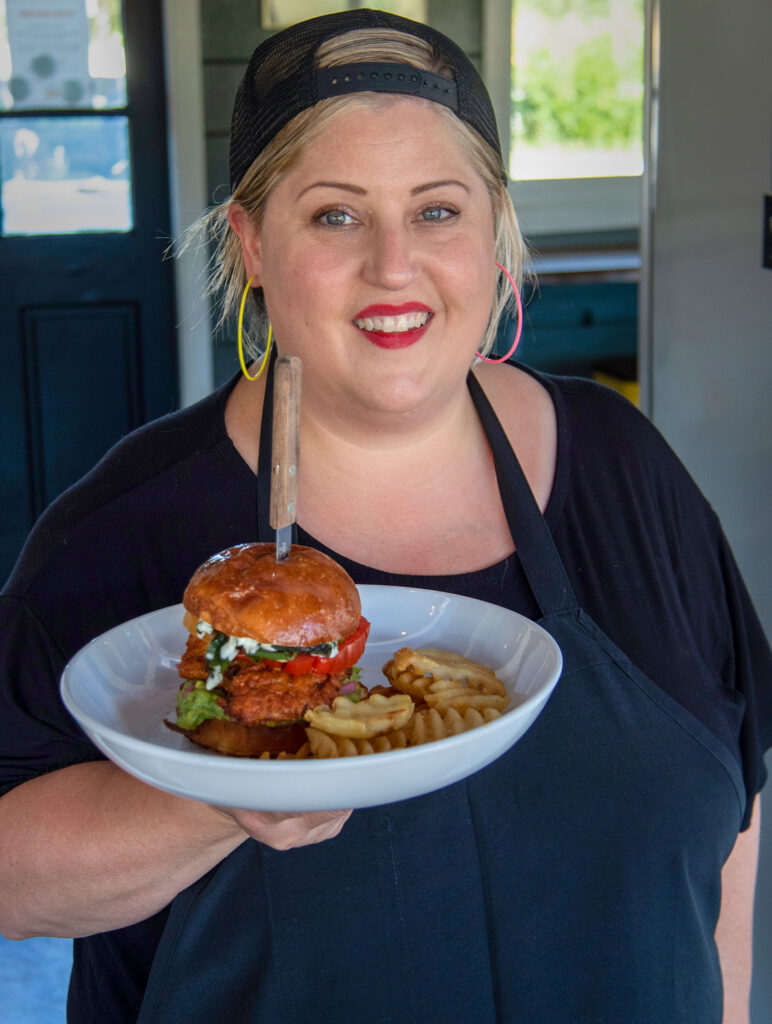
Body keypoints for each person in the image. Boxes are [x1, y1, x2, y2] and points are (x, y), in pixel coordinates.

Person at [0, 9, 770, 1023]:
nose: (395, 265)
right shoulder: (123, 531)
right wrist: (216, 794)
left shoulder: (625, 464)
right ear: (252, 242)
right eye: (335, 214)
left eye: (438, 210)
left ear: (493, 228)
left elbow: (735, 799)